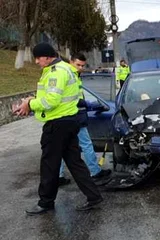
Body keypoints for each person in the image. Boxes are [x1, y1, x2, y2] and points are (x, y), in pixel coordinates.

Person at [13, 43, 103, 215]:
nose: (37, 62)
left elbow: (51, 101)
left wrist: (30, 104)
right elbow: (55, 96)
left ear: (47, 56)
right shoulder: (64, 68)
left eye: (38, 58)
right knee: (74, 162)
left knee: (49, 164)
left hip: (57, 124)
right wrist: (32, 99)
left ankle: (45, 202)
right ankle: (93, 196)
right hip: (69, 121)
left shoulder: (57, 72)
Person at [58, 53, 112, 186]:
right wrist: (91, 105)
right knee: (85, 145)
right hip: (74, 117)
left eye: (82, 66)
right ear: (71, 62)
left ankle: (57, 176)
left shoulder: (72, 75)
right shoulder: (67, 76)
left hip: (70, 117)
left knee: (62, 148)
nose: (80, 68)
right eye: (78, 65)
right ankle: (95, 172)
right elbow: (73, 100)